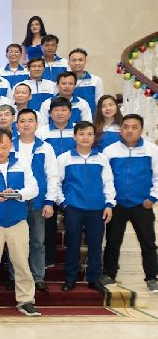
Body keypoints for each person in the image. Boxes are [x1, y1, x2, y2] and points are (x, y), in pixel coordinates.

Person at [0, 129, 41, 317]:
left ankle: (26, 300)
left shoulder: (21, 164)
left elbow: (34, 189)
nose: (0, 151)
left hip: (17, 221)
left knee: (21, 262)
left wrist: (18, 194)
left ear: (11, 146)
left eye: (4, 147)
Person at [56, 121, 116, 292]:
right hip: (73, 208)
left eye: (89, 134)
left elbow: (108, 183)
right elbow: (56, 183)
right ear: (74, 136)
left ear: (94, 137)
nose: (85, 137)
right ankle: (70, 278)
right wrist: (63, 204)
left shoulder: (102, 158)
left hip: (97, 209)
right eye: (81, 134)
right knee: (73, 244)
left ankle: (94, 279)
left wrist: (109, 204)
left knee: (95, 246)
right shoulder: (64, 158)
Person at [102, 114, 158, 292]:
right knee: (112, 242)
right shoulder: (110, 151)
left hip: (142, 205)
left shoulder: (151, 149)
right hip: (117, 205)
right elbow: (105, 179)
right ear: (121, 129)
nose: (129, 130)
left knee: (148, 243)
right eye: (126, 127)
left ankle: (152, 278)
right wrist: (109, 201)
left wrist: (153, 197)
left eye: (134, 127)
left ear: (141, 130)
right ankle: (109, 274)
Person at [13, 109, 59, 292]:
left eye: (30, 120)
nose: (26, 124)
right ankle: (15, 276)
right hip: (15, 201)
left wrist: (50, 201)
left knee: (38, 241)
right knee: (16, 243)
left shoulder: (45, 147)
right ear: (17, 125)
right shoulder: (10, 146)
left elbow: (52, 176)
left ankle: (38, 277)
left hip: (38, 201)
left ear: (36, 124)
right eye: (22, 121)